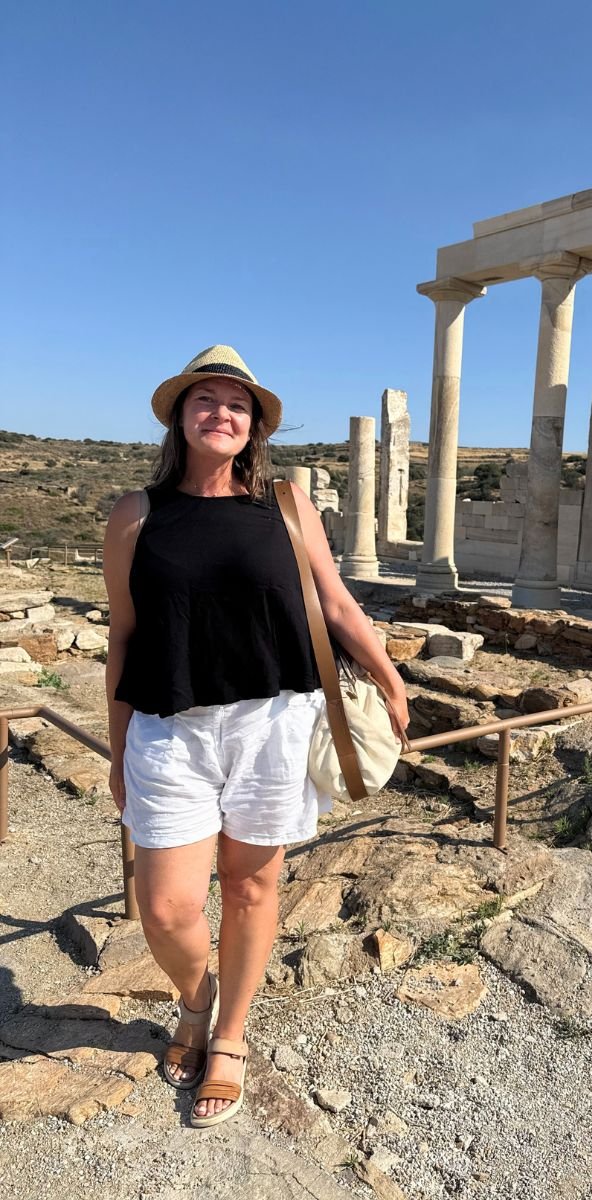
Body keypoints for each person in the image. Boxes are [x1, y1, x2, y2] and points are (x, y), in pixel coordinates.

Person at [103, 345, 409, 1128]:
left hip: (274, 720)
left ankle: (229, 1033)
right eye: (204, 400)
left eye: (236, 404)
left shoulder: (285, 502)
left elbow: (337, 605)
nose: (220, 413)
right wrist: (117, 747)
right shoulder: (135, 515)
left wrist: (390, 675)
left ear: (254, 425)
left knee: (249, 886)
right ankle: (197, 998)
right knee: (165, 907)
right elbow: (125, 636)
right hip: (170, 728)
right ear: (180, 417)